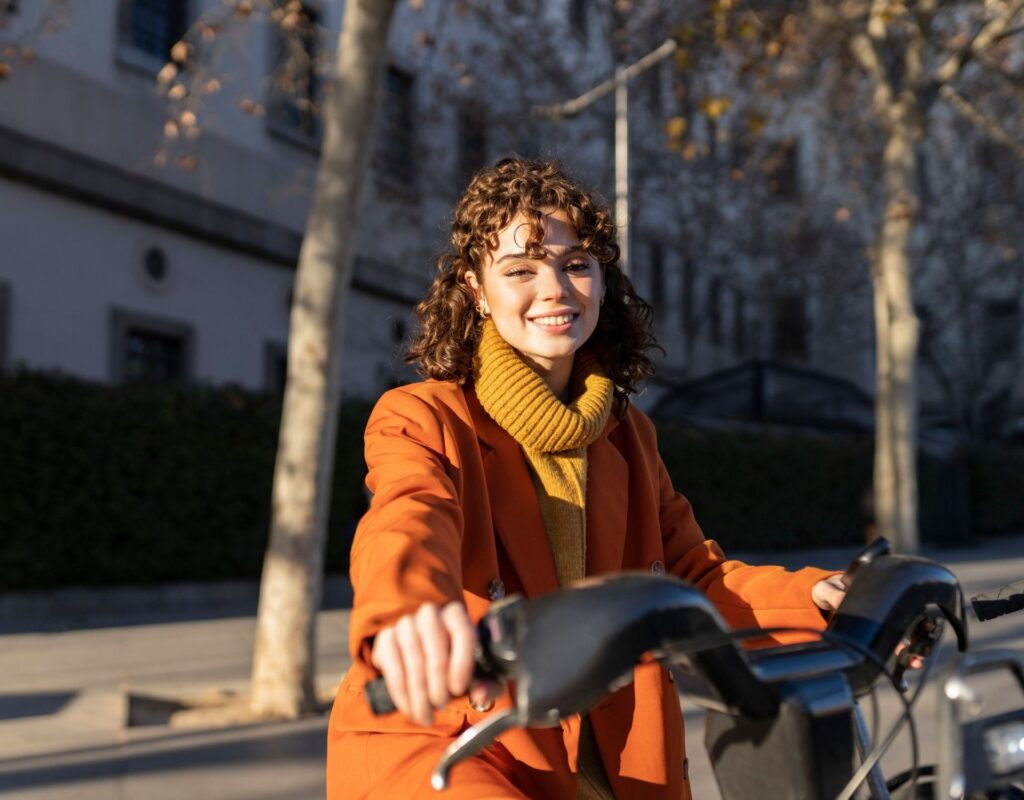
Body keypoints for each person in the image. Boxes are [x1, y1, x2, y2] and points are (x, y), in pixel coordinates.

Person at [326, 158, 847, 800]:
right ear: (477, 291)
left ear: (603, 281)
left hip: (613, 761)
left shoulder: (628, 432)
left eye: (576, 264)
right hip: (454, 746)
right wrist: (412, 613)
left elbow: (689, 579)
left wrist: (818, 597)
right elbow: (408, 519)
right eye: (520, 269)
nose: (555, 289)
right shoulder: (423, 416)